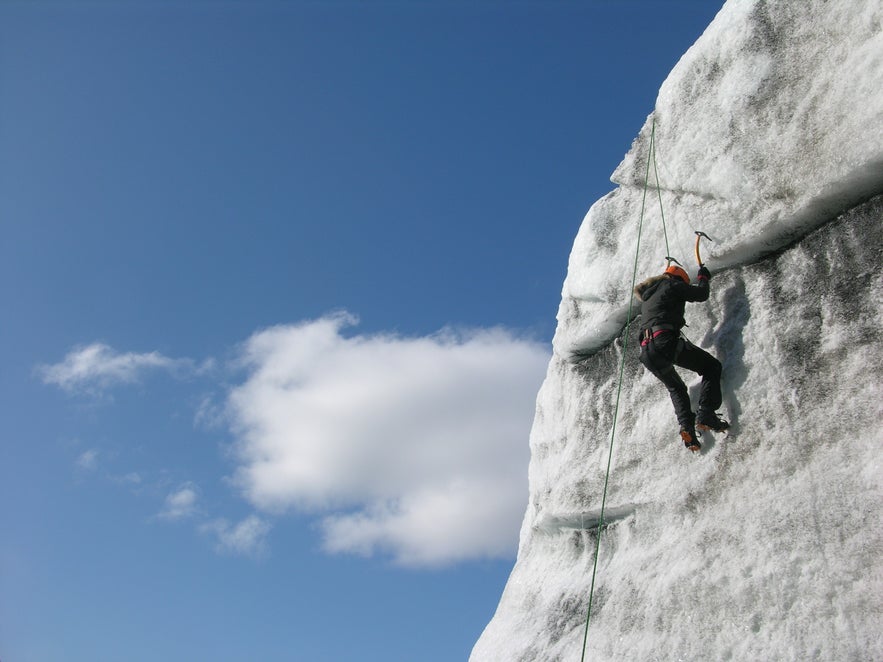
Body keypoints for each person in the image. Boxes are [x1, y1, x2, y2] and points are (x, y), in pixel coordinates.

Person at [634, 263, 730, 452]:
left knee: (676, 388)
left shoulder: (648, 298)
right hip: (665, 341)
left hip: (647, 351)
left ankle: (688, 430)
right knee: (711, 367)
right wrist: (703, 277)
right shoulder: (671, 285)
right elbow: (701, 294)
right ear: (678, 278)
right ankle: (706, 414)